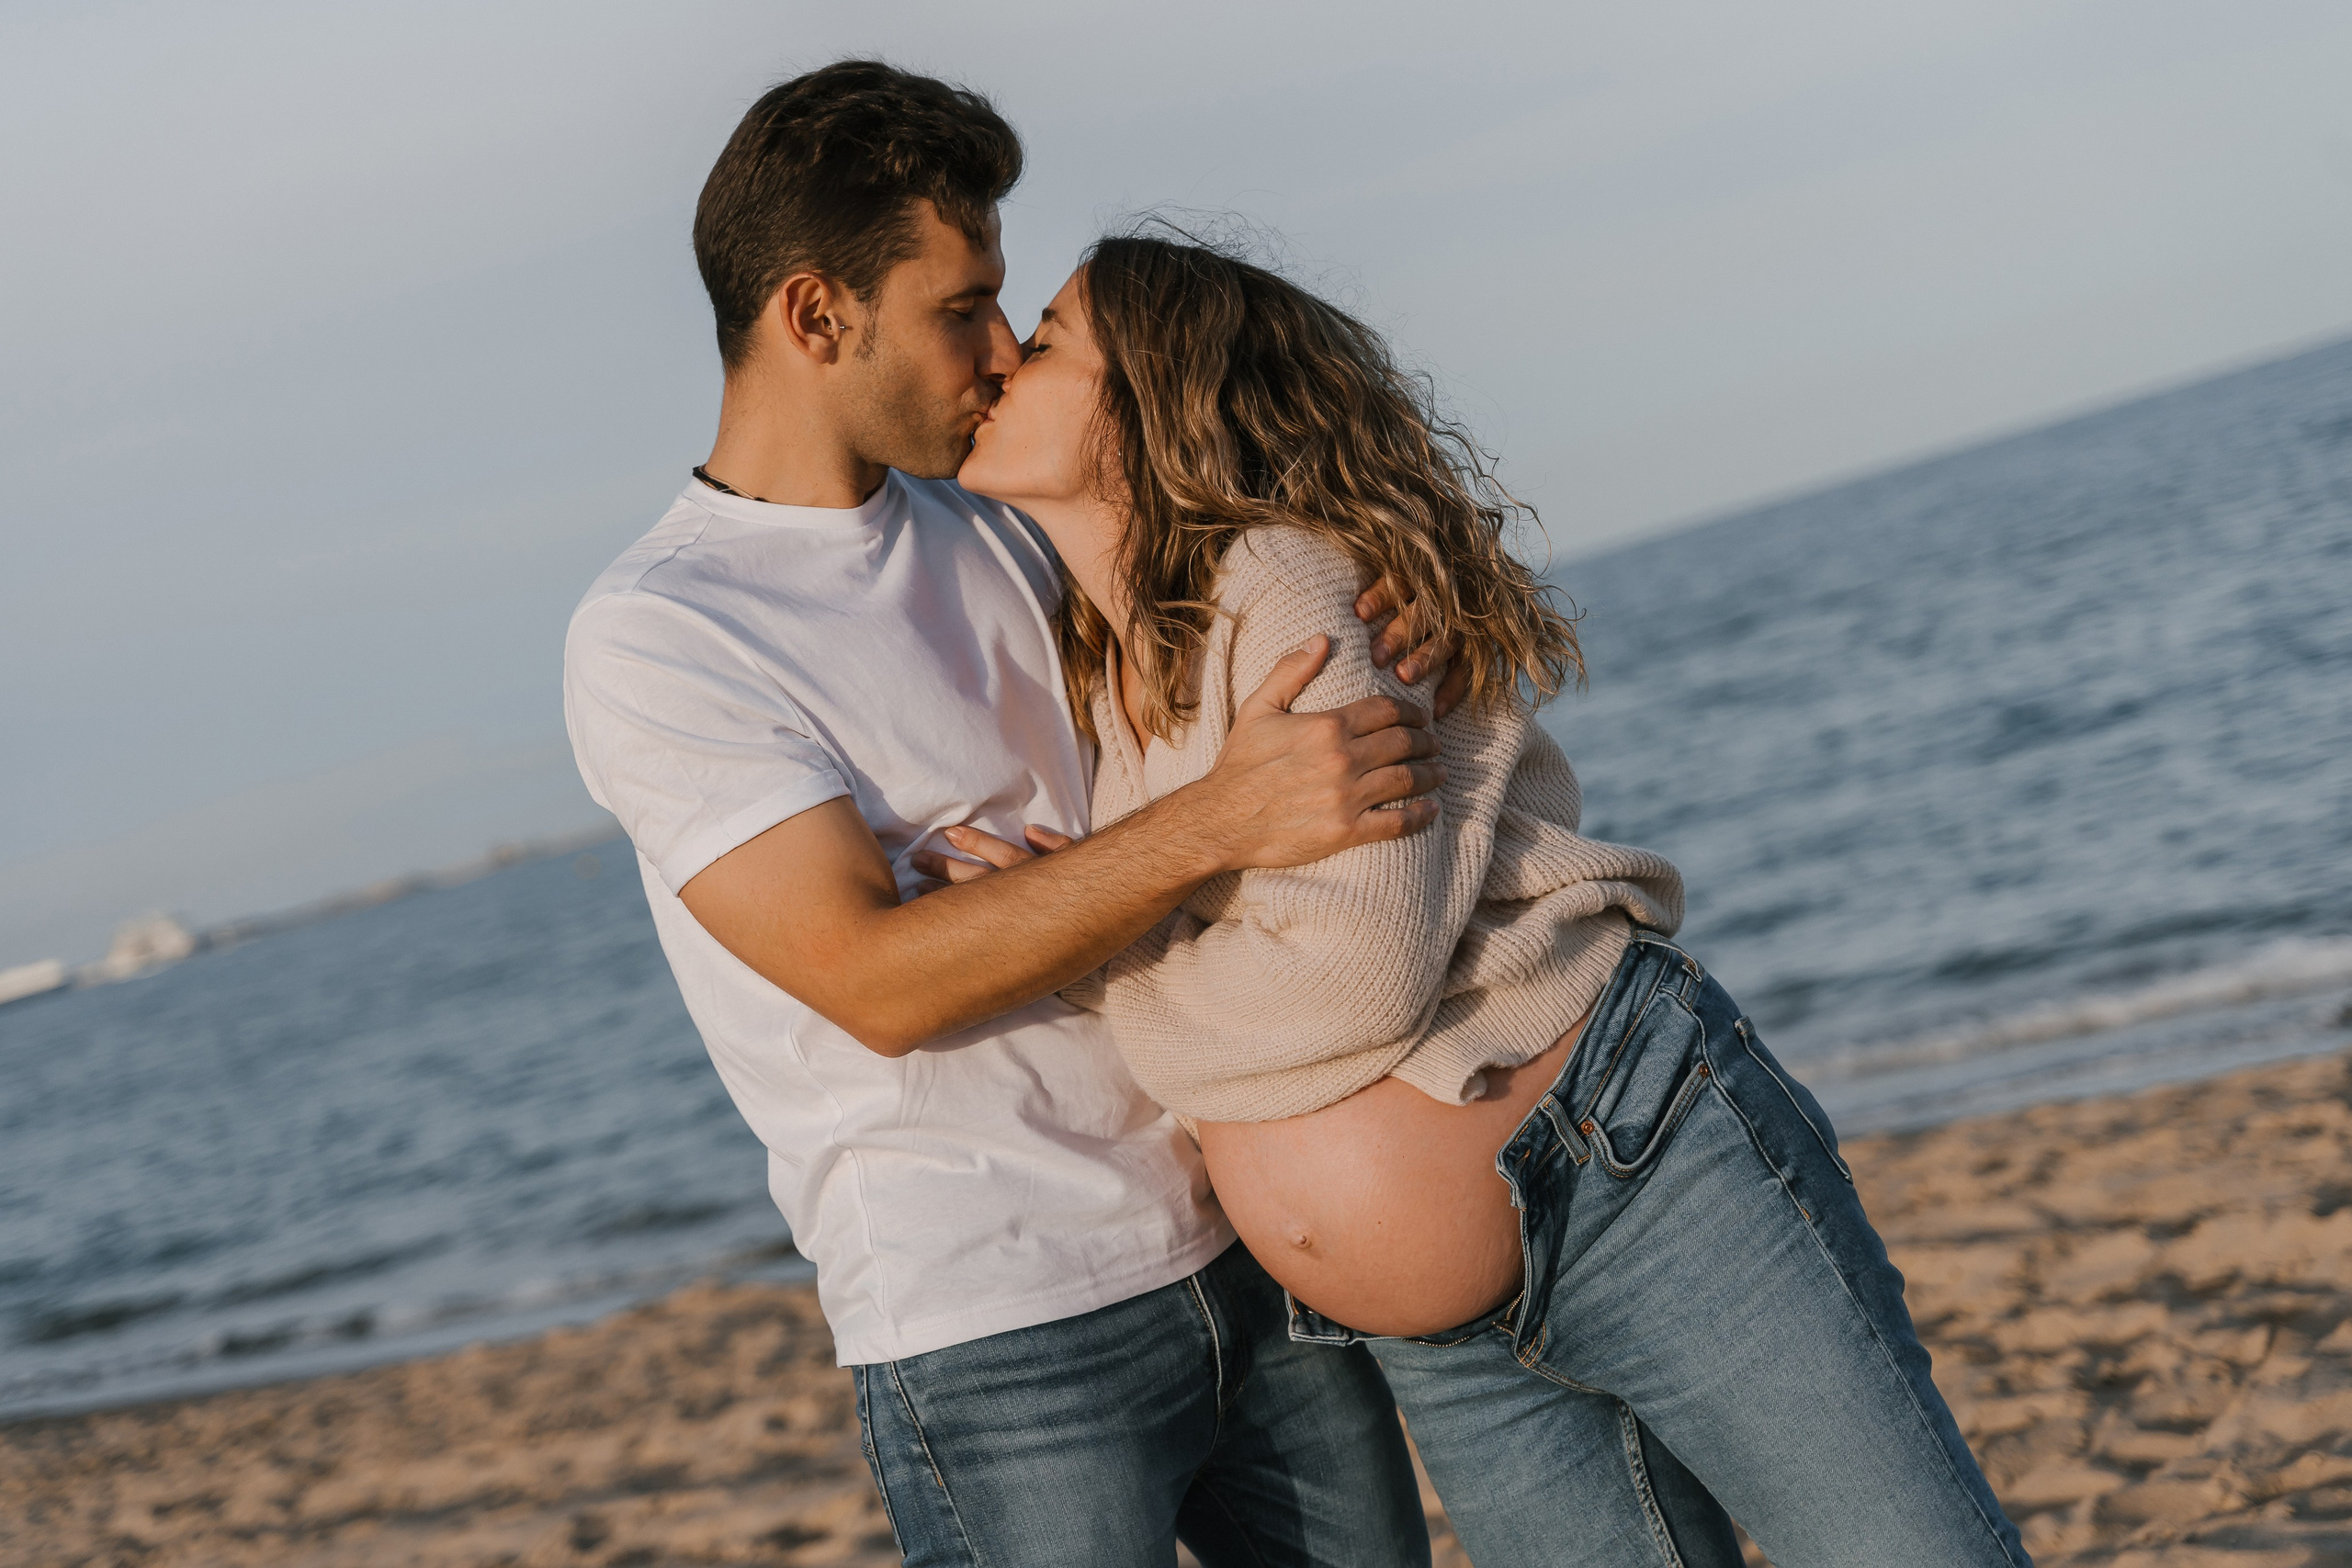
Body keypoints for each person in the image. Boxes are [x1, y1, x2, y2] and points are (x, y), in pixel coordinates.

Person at [949, 232, 2034, 1568]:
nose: (1004, 360)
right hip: (1444, 1335)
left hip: (1626, 1175)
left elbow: (1352, 976)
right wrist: (1107, 912)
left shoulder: (1282, 594)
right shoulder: (1113, 668)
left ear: (1151, 399)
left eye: (1048, 336)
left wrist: (1093, 951)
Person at [562, 62, 1459, 1568]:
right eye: (961, 306)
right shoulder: (663, 633)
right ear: (814, 315)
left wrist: (1393, 597)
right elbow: (878, 982)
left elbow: (1235, 606)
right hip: (1000, 1327)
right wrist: (1218, 825)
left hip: (1249, 1247)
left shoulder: (996, 522)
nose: (1000, 348)